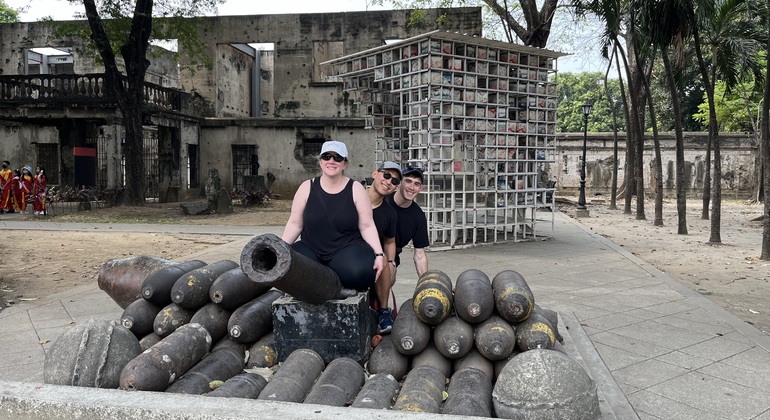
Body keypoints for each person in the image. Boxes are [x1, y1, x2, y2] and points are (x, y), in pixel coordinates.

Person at [281, 140, 385, 292]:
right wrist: (280, 248)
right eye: (326, 156)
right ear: (320, 162)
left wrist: (379, 254)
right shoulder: (306, 187)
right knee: (288, 269)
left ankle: (334, 279)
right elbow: (295, 223)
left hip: (345, 249)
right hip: (311, 249)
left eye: (337, 158)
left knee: (361, 274)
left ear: (345, 164)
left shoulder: (356, 189)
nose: (331, 161)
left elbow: (367, 225)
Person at [367, 161, 401, 333]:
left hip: (371, 256)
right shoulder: (353, 197)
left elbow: (389, 241)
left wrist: (391, 263)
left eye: (395, 181)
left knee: (384, 261)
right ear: (375, 174)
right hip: (346, 250)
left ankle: (383, 310)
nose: (389, 182)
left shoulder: (389, 214)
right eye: (386, 175)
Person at [385, 165, 429, 278]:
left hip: (390, 259)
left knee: (389, 274)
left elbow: (420, 255)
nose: (412, 187)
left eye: (416, 184)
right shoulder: (383, 201)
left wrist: (426, 283)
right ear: (399, 182)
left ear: (421, 188)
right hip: (367, 251)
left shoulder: (418, 216)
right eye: (408, 181)